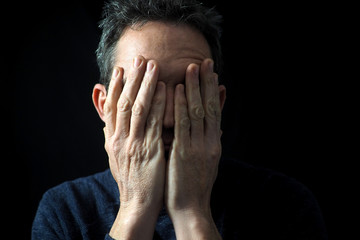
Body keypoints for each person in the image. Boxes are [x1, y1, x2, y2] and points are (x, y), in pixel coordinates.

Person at [32, 0, 327, 239]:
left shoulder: (284, 205)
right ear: (104, 106)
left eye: (189, 88)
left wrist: (192, 214)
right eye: (144, 90)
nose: (170, 116)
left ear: (217, 102)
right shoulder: (64, 212)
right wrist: (136, 208)